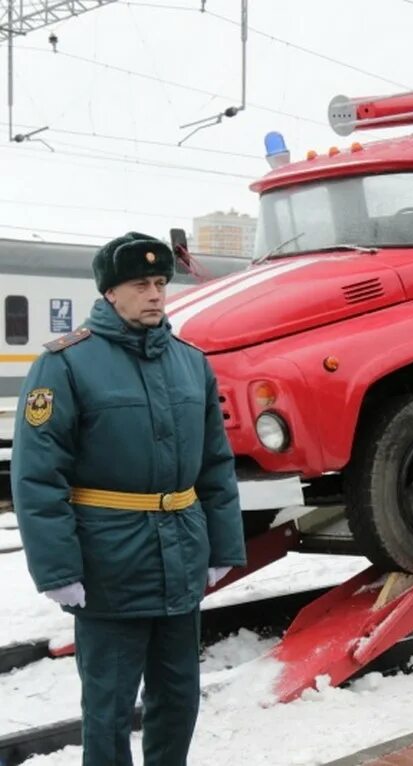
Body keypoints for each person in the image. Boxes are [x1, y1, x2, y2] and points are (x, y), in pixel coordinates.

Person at [11, 231, 247, 766]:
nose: (156, 294)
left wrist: (222, 548)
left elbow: (215, 465)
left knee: (179, 696)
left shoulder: (191, 363)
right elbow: (37, 478)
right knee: (109, 707)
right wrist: (56, 571)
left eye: (161, 282)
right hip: (108, 567)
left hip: (180, 559)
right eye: (140, 284)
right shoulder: (65, 365)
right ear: (110, 293)